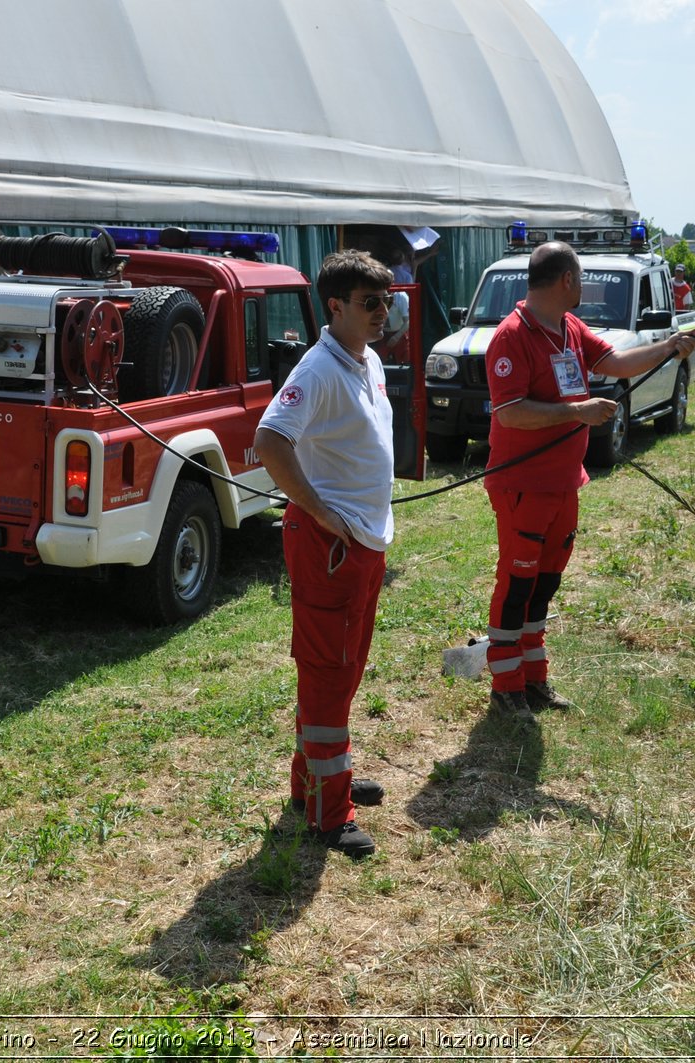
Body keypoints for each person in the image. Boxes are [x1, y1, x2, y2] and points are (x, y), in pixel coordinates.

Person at [483, 242, 695, 716]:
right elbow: (511, 413)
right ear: (566, 279)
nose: (583, 285)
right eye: (580, 277)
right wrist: (578, 410)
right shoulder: (511, 336)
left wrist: (669, 347)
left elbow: (617, 364)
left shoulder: (570, 327)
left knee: (545, 583)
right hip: (523, 485)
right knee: (518, 583)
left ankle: (533, 676)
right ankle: (505, 684)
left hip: (566, 482)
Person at [254, 250, 397, 859]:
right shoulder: (317, 370)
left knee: (344, 667)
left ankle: (315, 779)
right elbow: (269, 441)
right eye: (370, 304)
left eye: (387, 303)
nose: (382, 314)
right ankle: (326, 811)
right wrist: (318, 511)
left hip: (361, 541)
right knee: (327, 670)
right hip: (329, 545)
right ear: (334, 307)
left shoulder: (367, 362)